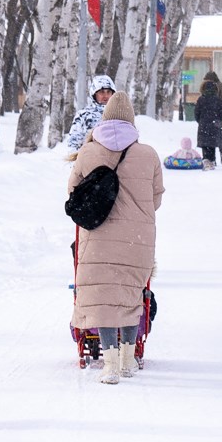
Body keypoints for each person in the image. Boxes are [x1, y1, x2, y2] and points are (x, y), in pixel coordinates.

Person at [68, 92, 164, 383]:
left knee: (103, 298)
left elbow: (73, 194)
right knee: (132, 296)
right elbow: (156, 198)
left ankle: (109, 364)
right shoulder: (148, 154)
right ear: (132, 122)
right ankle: (126, 360)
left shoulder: (88, 152)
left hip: (97, 237)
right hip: (137, 239)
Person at [67, 75, 117, 150]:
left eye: (108, 92)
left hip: (115, 159)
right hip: (90, 158)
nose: (105, 95)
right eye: (102, 92)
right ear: (94, 93)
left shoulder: (119, 113)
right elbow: (73, 144)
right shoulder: (83, 115)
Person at [194, 79, 222, 170]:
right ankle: (212, 160)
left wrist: (200, 121)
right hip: (214, 125)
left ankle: (206, 160)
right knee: (212, 144)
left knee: (205, 144)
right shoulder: (218, 100)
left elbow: (196, 113)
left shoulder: (201, 99)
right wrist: (217, 120)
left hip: (203, 125)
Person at [201, 71, 222, 163]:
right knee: (219, 137)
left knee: (214, 138)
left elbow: (215, 103)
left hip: (216, 117)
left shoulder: (214, 87)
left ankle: (214, 159)